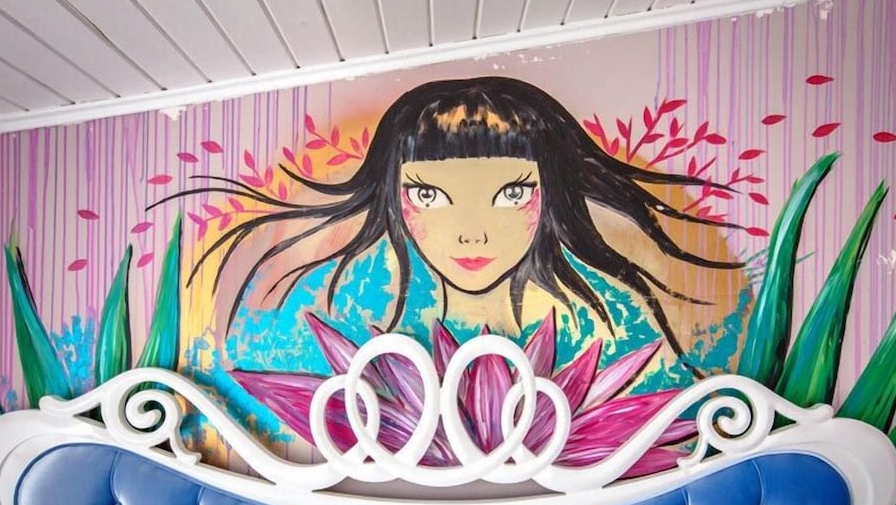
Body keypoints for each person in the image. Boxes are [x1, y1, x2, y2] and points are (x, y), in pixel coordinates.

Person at [157, 76, 745, 370]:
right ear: (391, 200)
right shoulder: (336, 325)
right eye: (429, 195)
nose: (471, 233)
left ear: (553, 196)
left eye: (512, 193)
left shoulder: (617, 332)